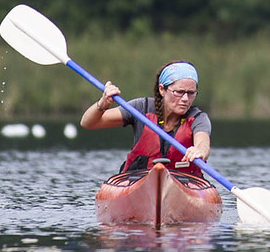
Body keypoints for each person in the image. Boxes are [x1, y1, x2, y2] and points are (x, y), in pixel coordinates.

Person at [80, 61, 211, 176]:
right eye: (179, 92)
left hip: (184, 182)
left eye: (191, 93)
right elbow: (88, 123)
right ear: (162, 89)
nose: (185, 99)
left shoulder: (198, 118)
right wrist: (103, 103)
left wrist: (199, 151)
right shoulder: (141, 108)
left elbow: (203, 144)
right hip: (137, 179)